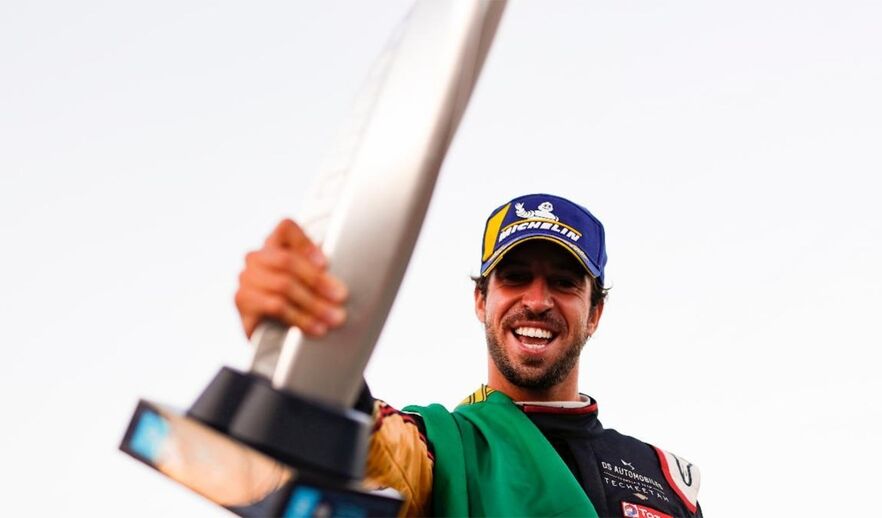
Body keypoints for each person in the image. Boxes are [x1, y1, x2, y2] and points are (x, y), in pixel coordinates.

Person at [235, 193, 703, 517]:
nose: (537, 301)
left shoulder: (663, 478)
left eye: (563, 283)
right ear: (481, 301)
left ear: (594, 313)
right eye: (515, 277)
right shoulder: (441, 447)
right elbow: (371, 453)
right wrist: (308, 345)